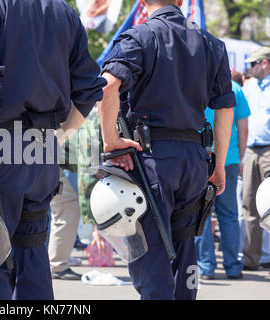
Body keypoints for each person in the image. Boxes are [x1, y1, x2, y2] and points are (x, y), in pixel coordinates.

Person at [0, 0, 106, 300]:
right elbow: (89, 88)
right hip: (42, 149)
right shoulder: (65, 12)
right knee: (31, 255)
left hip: (0, 147)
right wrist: (59, 137)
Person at [97, 0, 235, 300]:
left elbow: (106, 88)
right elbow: (225, 110)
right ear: (181, 1)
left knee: (151, 249)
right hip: (195, 160)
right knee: (185, 246)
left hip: (153, 159)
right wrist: (219, 165)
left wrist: (110, 141)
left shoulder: (140, 37)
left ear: (144, 3)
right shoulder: (213, 44)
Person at [195, 80, 250, 280]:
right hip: (230, 159)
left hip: (200, 156)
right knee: (229, 214)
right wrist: (240, 157)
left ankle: (206, 266)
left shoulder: (198, 81)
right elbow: (243, 128)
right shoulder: (235, 87)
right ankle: (233, 266)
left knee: (202, 213)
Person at [241, 47, 270, 271]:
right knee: (249, 206)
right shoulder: (249, 87)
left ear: (265, 63)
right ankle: (251, 259)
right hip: (251, 151)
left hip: (269, 151)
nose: (249, 69)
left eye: (253, 64)